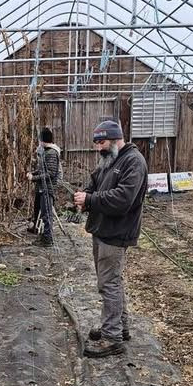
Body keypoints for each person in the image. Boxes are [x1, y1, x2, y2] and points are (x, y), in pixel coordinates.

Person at [73, 120, 148, 358]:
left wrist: (91, 200)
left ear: (116, 139)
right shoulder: (110, 160)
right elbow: (95, 182)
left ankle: (112, 337)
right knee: (112, 281)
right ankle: (119, 327)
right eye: (96, 143)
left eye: (102, 142)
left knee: (109, 284)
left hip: (116, 232)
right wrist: (83, 197)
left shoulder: (132, 162)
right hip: (102, 229)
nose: (98, 148)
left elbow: (123, 199)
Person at [26, 127, 61, 246]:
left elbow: (51, 173)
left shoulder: (51, 153)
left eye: (40, 140)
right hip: (42, 188)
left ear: (43, 140)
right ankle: (43, 236)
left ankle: (47, 239)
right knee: (41, 212)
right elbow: (42, 170)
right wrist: (33, 173)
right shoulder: (45, 151)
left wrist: (34, 178)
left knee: (47, 214)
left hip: (47, 188)